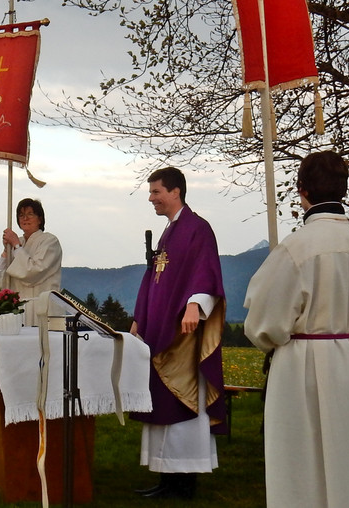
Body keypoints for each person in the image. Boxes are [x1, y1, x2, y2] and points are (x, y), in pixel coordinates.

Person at [243, 151, 349, 508]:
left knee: (301, 462)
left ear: (301, 190)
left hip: (303, 366)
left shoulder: (296, 247)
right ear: (344, 189)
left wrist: (270, 340)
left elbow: (264, 323)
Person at [129, 167, 226, 499]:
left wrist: (195, 305)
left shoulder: (197, 229)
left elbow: (206, 270)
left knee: (183, 404)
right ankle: (168, 477)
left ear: (175, 192)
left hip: (181, 338)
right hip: (159, 332)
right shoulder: (169, 232)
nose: (151, 198)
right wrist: (139, 319)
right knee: (162, 404)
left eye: (156, 192)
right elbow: (152, 281)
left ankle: (186, 481)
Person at [0, 198, 62, 318]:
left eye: (30, 214)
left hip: (42, 310)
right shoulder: (18, 243)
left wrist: (16, 246)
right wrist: (6, 251)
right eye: (21, 215)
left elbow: (33, 272)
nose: (25, 218)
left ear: (40, 219)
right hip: (18, 312)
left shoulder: (50, 242)